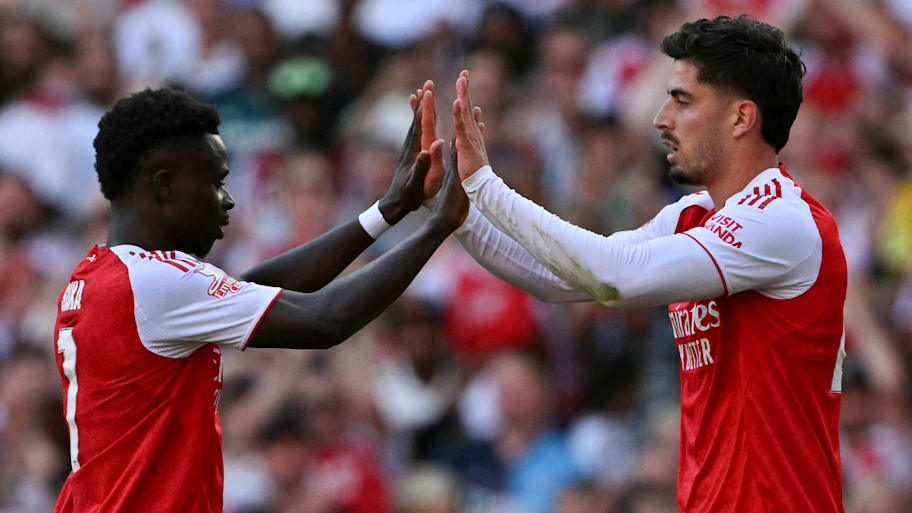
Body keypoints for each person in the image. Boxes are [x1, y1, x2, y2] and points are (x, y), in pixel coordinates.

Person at [422, 15, 847, 513]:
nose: (661, 118)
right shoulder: (692, 215)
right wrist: (454, 210)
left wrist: (486, 185)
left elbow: (614, 276)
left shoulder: (783, 221)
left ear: (741, 118)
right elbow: (558, 279)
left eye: (683, 100)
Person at [51, 86, 467, 512]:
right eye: (214, 183)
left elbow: (255, 286)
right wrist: (436, 228)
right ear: (164, 186)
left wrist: (387, 210)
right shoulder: (153, 283)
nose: (228, 200)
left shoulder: (103, 273)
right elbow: (326, 319)